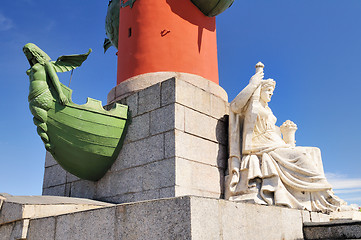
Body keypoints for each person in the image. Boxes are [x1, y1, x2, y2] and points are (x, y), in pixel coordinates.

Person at [225, 64, 348, 213]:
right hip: (263, 146)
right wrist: (253, 84)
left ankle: (324, 196)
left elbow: (275, 135)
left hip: (277, 144)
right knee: (301, 155)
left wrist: (288, 136)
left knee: (314, 151)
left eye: (272, 92)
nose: (271, 94)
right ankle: (324, 196)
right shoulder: (252, 107)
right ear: (260, 90)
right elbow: (235, 107)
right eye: (268, 91)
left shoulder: (268, 110)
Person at [23, 43, 68, 151]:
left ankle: (49, 142)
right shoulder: (31, 68)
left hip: (43, 94)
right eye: (25, 53)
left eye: (27, 52)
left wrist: (61, 93)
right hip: (32, 98)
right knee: (39, 121)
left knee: (43, 121)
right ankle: (47, 143)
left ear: (34, 51)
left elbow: (54, 78)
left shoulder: (45, 64)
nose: (26, 54)